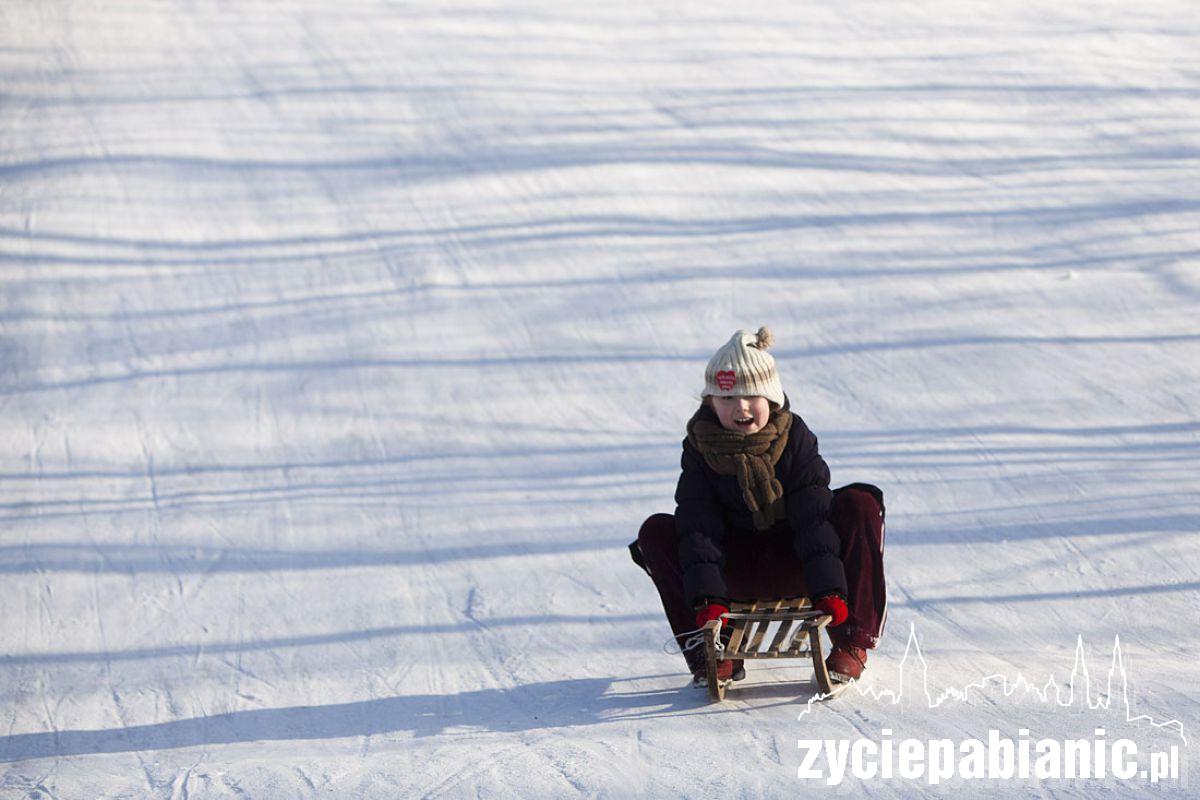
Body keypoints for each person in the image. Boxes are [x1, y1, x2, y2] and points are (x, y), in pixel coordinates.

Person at [629, 326, 886, 687]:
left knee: (859, 503)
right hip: (736, 572)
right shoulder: (700, 449)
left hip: (796, 561)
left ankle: (851, 640)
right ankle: (712, 650)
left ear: (772, 398)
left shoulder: (795, 439)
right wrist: (708, 599)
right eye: (726, 398)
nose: (741, 407)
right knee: (657, 531)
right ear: (710, 403)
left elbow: (813, 518)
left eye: (751, 395)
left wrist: (829, 590)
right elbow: (699, 524)